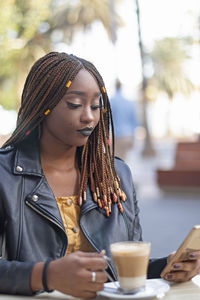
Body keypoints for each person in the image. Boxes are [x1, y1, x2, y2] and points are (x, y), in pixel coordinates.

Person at [0, 52, 200, 298]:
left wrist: (167, 267)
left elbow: (120, 273)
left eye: (96, 106)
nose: (90, 116)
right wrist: (46, 275)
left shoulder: (116, 176)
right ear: (43, 105)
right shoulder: (5, 176)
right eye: (75, 104)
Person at [110, 79, 138, 160]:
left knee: (116, 162)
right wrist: (133, 137)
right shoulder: (129, 102)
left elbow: (108, 120)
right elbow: (134, 121)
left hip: (116, 136)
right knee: (123, 161)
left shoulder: (111, 101)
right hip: (127, 136)